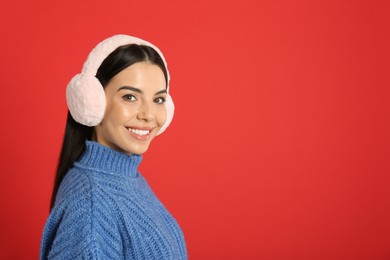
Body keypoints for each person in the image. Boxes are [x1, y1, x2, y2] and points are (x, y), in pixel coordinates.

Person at [40, 35, 187, 259]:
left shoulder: (124, 178)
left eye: (158, 100)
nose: (148, 115)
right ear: (93, 102)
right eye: (130, 97)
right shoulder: (91, 206)